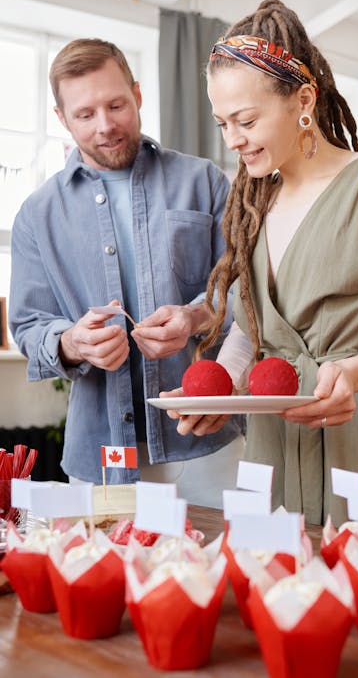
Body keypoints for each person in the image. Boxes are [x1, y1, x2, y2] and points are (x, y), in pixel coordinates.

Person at [163, 0, 358, 538]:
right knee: (279, 602)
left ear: (303, 99)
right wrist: (222, 393)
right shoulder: (252, 202)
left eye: (246, 120)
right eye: (222, 122)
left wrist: (355, 371)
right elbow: (254, 334)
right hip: (273, 447)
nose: (232, 140)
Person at [9, 38, 244, 506]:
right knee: (111, 579)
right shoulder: (36, 215)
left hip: (205, 443)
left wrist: (196, 317)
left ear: (137, 94)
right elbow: (29, 325)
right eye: (85, 115)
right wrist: (71, 342)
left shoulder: (206, 183)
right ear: (61, 119)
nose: (105, 126)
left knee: (221, 576)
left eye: (116, 104)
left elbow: (245, 290)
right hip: (99, 454)